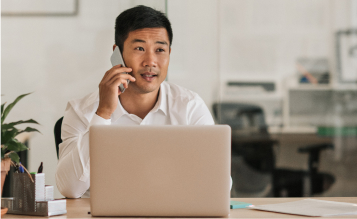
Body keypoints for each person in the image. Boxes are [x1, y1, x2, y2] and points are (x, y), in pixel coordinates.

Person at [55, 5, 231, 198]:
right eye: (139, 48)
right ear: (117, 54)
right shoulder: (81, 110)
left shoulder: (189, 106)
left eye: (160, 50)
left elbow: (219, 184)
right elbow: (70, 189)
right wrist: (103, 113)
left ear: (169, 54)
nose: (151, 61)